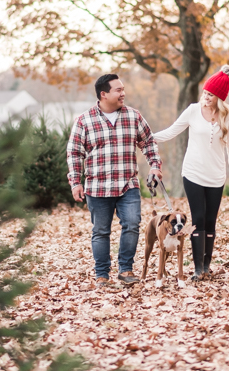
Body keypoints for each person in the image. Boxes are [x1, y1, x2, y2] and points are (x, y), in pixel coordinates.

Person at [67, 74, 163, 287]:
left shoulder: (133, 116)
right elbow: (74, 153)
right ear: (104, 94)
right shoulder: (84, 121)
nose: (123, 93)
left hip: (127, 184)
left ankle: (126, 269)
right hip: (97, 187)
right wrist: (76, 182)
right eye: (118, 90)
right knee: (101, 231)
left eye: (123, 89)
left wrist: (155, 165)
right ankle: (102, 274)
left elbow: (148, 142)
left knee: (132, 224)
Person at [153, 64, 229, 281]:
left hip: (216, 175)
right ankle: (198, 269)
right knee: (198, 218)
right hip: (192, 172)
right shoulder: (193, 110)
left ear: (220, 97)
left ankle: (207, 265)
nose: (206, 97)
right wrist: (149, 137)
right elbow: (173, 130)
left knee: (211, 220)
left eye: (211, 95)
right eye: (205, 92)